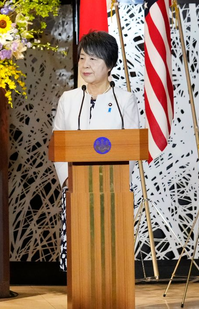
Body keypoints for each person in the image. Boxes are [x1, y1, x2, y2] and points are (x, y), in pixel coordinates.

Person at [52, 31, 140, 271]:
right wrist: (68, 180)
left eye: (93, 59)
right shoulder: (68, 99)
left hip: (114, 190)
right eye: (82, 58)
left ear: (109, 64)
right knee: (81, 257)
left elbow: (131, 146)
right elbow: (58, 145)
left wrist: (120, 182)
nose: (85, 65)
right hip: (77, 189)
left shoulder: (124, 100)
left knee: (110, 255)